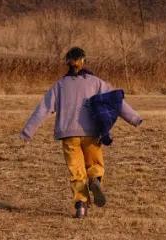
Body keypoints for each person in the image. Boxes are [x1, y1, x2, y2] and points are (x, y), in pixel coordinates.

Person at [20, 46, 143, 218]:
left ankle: (81, 206)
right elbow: (116, 101)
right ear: (84, 60)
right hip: (92, 132)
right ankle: (94, 180)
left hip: (69, 135)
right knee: (94, 165)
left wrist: (28, 131)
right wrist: (134, 118)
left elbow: (43, 109)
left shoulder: (60, 86)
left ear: (67, 63)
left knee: (76, 171)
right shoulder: (96, 82)